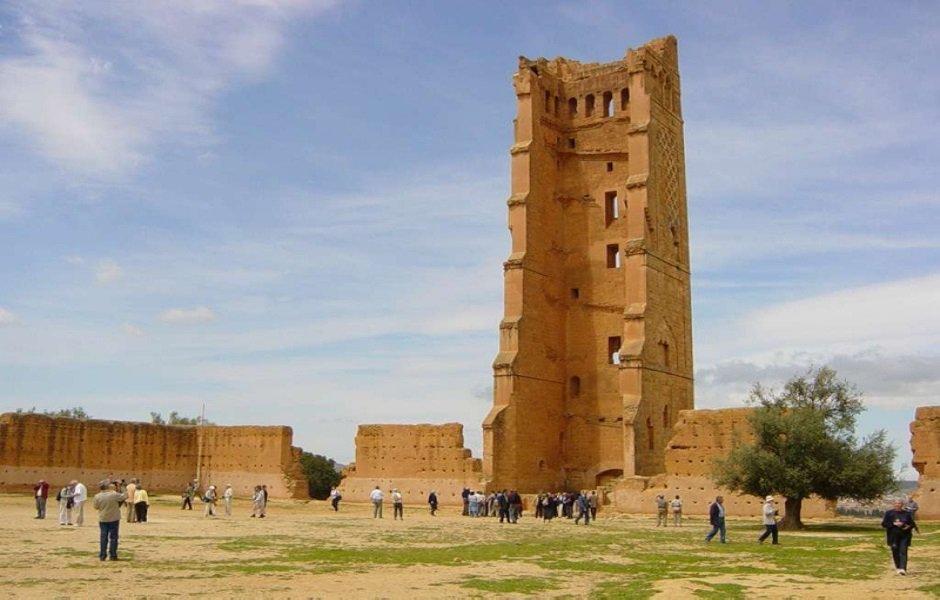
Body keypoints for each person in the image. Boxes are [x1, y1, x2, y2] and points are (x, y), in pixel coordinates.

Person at [882, 499, 918, 575]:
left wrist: (907, 527)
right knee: (895, 552)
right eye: (896, 503)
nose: (898, 505)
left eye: (899, 503)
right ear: (893, 504)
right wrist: (893, 524)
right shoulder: (889, 513)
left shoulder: (907, 513)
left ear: (902, 505)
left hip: (904, 535)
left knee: (903, 551)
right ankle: (898, 567)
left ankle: (903, 568)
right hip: (893, 536)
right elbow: (884, 524)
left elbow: (912, 524)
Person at [93, 481, 127, 561]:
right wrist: (122, 487)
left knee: (103, 537)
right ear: (108, 487)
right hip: (114, 518)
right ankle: (113, 555)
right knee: (113, 537)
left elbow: (96, 507)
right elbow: (125, 496)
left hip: (103, 518)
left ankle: (102, 555)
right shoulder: (113, 495)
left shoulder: (97, 496)